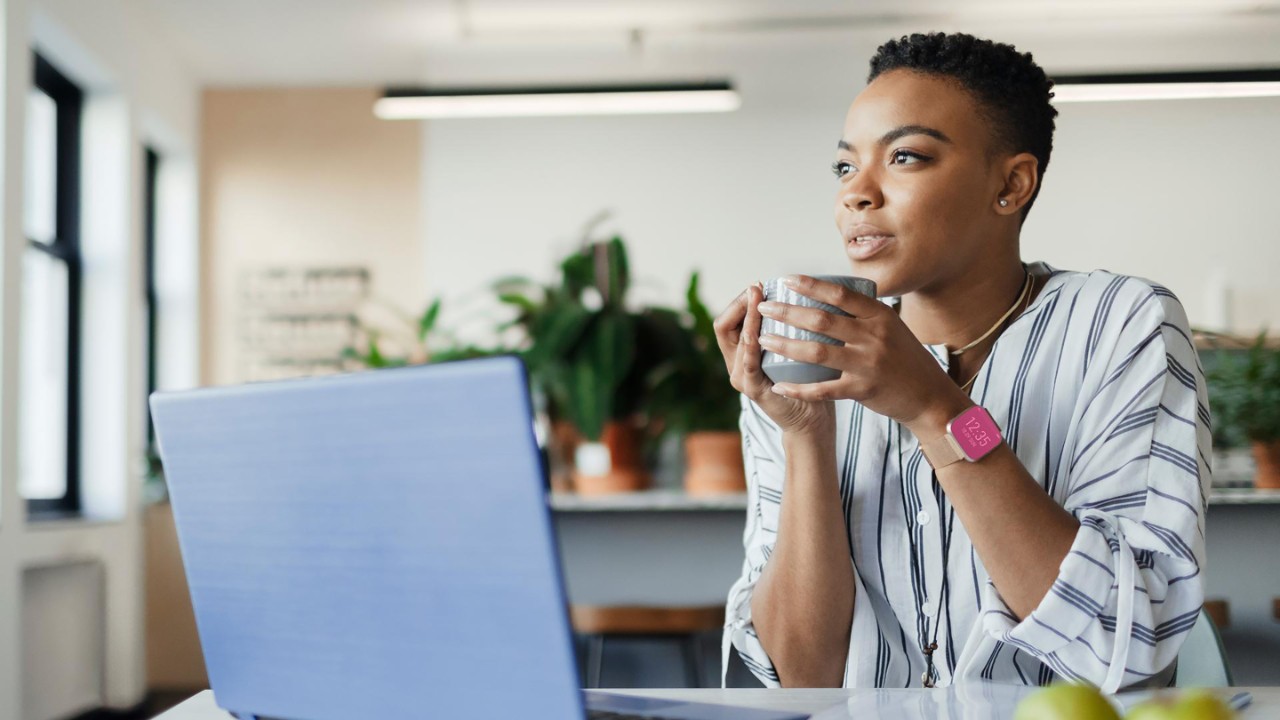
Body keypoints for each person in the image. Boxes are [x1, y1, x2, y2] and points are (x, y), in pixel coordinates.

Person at [715, 31, 1212, 691]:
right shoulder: (805, 362)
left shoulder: (1121, 323)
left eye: (905, 157)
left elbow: (1127, 644)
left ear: (1011, 184)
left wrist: (937, 410)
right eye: (844, 166)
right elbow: (804, 677)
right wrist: (806, 437)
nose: (856, 194)